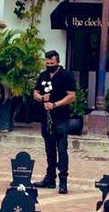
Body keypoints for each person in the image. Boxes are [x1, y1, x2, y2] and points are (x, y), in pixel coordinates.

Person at [32, 50, 77, 194]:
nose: (49, 65)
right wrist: (40, 97)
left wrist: (55, 104)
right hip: (45, 118)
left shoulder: (66, 76)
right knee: (49, 149)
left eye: (52, 63)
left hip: (61, 118)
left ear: (57, 62)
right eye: (47, 63)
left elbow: (72, 96)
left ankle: (63, 180)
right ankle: (50, 178)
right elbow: (35, 92)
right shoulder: (43, 75)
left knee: (62, 149)